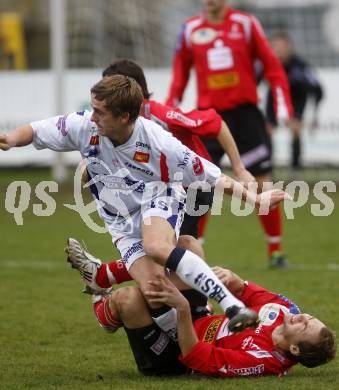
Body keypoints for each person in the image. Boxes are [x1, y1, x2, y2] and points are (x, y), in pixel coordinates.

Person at [0, 74, 290, 339]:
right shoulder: (85, 126)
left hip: (158, 199)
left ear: (125, 117)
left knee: (157, 247)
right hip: (121, 223)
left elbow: (212, 175)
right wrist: (12, 139)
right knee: (155, 290)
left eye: (100, 112)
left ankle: (232, 306)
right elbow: (36, 130)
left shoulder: (160, 143)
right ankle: (178, 342)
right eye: (93, 108)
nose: (93, 116)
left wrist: (256, 199)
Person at [166, 0, 294, 268]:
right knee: (197, 182)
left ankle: (276, 250)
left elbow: (272, 65)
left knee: (261, 182)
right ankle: (193, 246)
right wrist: (169, 109)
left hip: (245, 116)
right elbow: (180, 75)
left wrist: (283, 103)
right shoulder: (189, 30)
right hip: (207, 119)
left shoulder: (246, 25)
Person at [75, 263, 336, 377]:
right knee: (188, 247)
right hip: (197, 317)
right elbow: (242, 289)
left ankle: (104, 298)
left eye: (305, 326)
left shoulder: (262, 360)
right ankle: (104, 280)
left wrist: (182, 308)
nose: (302, 316)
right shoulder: (281, 311)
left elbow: (196, 357)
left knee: (128, 298)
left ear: (294, 349)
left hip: (173, 358)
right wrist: (228, 277)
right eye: (310, 317)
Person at [102, 59, 254, 241]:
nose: (106, 97)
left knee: (169, 246)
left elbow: (216, 124)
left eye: (111, 89)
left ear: (133, 89)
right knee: (171, 247)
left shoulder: (162, 116)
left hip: (193, 187)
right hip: (162, 190)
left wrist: (239, 168)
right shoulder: (117, 123)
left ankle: (101, 271)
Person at [264, 31, 324, 175]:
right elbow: (254, 80)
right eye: (274, 47)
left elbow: (317, 88)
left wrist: (315, 110)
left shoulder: (301, 66)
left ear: (289, 47)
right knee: (268, 130)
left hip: (296, 99)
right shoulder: (268, 63)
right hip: (274, 97)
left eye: (281, 47)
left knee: (295, 129)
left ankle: (295, 168)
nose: (277, 50)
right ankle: (267, 167)